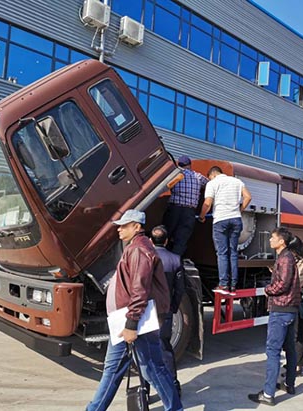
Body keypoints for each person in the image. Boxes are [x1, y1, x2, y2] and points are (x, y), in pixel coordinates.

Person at [86, 209, 183, 411]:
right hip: (124, 320)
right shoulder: (136, 247)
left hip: (134, 322)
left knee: (153, 369)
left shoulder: (139, 249)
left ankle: (175, 408)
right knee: (114, 369)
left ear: (136, 227)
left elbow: (140, 289)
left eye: (124, 225)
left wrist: (131, 324)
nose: (119, 229)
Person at [248, 227, 301, 406]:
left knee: (273, 351)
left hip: (281, 309)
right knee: (290, 348)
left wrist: (268, 290)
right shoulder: (286, 257)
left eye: (273, 237)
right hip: (290, 309)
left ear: (281, 241)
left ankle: (268, 393)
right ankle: (289, 384)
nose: (270, 240)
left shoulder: (285, 258)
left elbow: (283, 284)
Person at [198, 165, 251, 295]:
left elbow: (208, 202)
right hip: (236, 220)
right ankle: (233, 285)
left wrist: (202, 216)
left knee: (222, 253)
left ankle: (223, 284)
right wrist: (240, 210)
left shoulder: (212, 183)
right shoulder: (237, 182)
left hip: (221, 220)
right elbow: (248, 197)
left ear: (213, 175)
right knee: (233, 252)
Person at [150, 225, 185, 396]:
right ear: (166, 241)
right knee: (165, 348)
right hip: (165, 311)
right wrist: (173, 307)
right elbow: (180, 289)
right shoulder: (175, 260)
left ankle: (146, 389)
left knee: (146, 350)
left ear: (150, 241)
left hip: (146, 311)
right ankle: (173, 386)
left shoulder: (145, 258)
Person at [163, 155, 208, 256]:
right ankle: (175, 263)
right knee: (182, 239)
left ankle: (161, 260)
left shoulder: (175, 174)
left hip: (174, 209)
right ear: (190, 165)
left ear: (179, 164)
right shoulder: (198, 176)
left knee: (165, 233)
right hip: (189, 212)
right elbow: (209, 184)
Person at [288, 235, 303, 376]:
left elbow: (297, 283)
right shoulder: (297, 261)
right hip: (295, 301)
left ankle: (297, 366)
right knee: (294, 334)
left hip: (299, 301)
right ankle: (295, 363)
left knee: (297, 335)